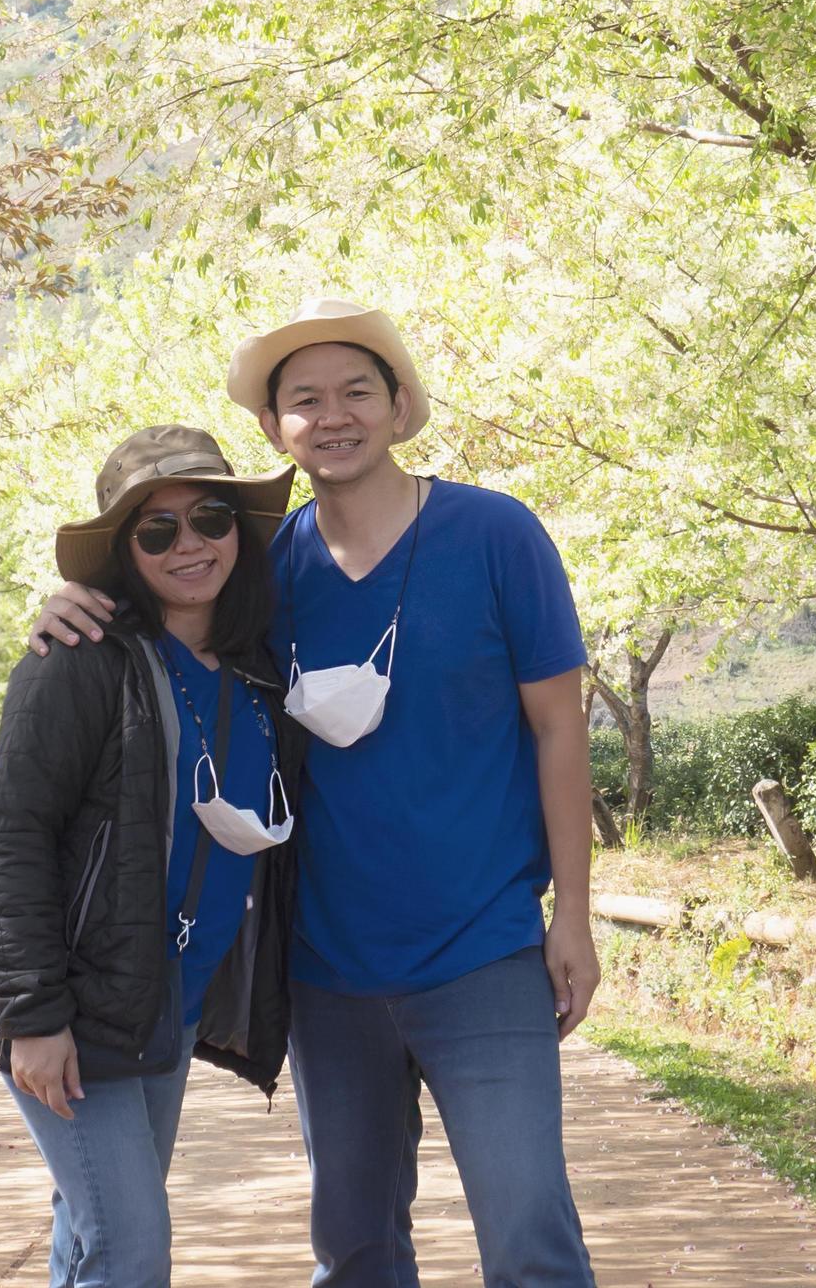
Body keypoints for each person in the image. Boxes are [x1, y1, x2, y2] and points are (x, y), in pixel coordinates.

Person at [31, 298, 601, 1288]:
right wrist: (62, 605)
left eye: (354, 392)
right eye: (304, 401)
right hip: (327, 973)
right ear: (273, 428)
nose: (332, 417)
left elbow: (559, 731)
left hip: (484, 952)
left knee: (529, 1239)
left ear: (397, 403)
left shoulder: (495, 534)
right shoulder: (267, 569)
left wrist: (574, 918)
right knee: (355, 1251)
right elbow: (164, 605)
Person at [0, 424, 304, 1288]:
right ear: (124, 549)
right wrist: (34, 1015)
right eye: (157, 530)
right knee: (129, 1248)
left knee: (92, 1234)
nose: (189, 543)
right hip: (76, 1007)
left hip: (167, 1005)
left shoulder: (259, 667)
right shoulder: (77, 661)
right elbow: (13, 836)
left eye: (209, 517)